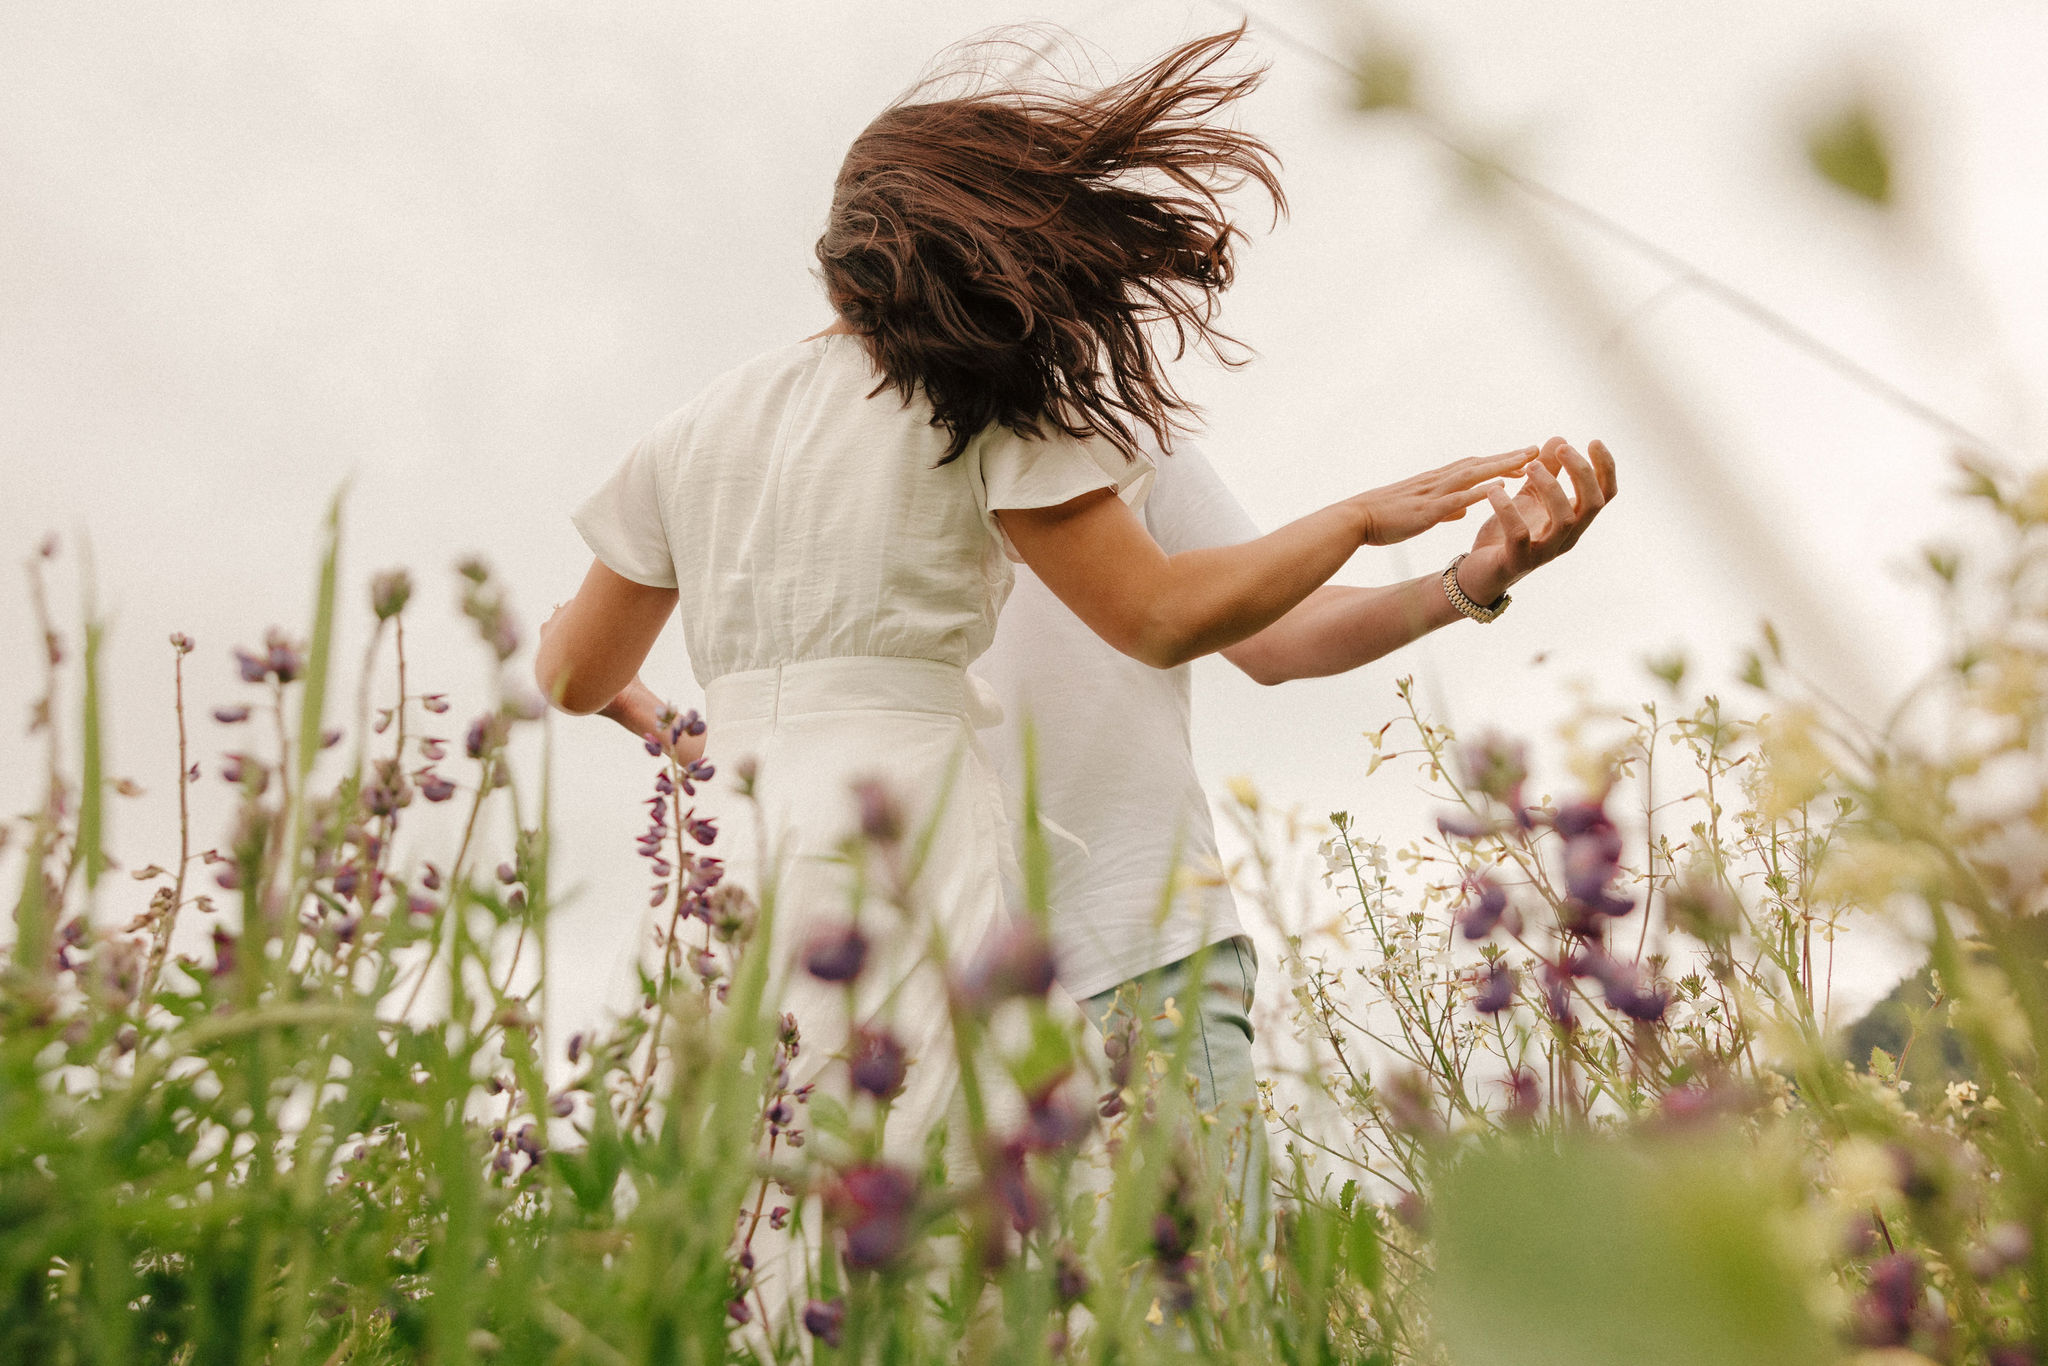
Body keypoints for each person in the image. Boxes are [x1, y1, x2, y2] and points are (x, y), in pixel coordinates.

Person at [531, 25, 1599, 1311]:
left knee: (836, 1275)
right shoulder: (973, 415)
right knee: (1130, 1305)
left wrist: (1459, 583)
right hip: (945, 901)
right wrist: (1358, 516)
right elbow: (1154, 616)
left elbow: (575, 674)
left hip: (882, 908)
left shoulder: (709, 434)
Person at [971, 432, 1613, 1248]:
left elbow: (1276, 629)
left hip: (1133, 944)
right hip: (913, 975)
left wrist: (1470, 580)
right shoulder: (810, 423)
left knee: (1206, 1315)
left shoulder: (1105, 414)